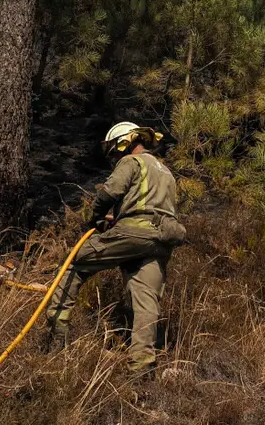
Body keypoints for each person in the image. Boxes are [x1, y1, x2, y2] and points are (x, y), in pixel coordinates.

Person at [44, 121, 186, 375]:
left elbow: (110, 192)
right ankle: (141, 366)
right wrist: (120, 218)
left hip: (134, 234)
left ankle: (56, 336)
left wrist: (95, 218)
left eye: (114, 152)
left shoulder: (131, 162)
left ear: (124, 143)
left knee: (75, 263)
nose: (114, 158)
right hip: (161, 241)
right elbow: (149, 205)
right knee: (146, 299)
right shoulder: (164, 170)